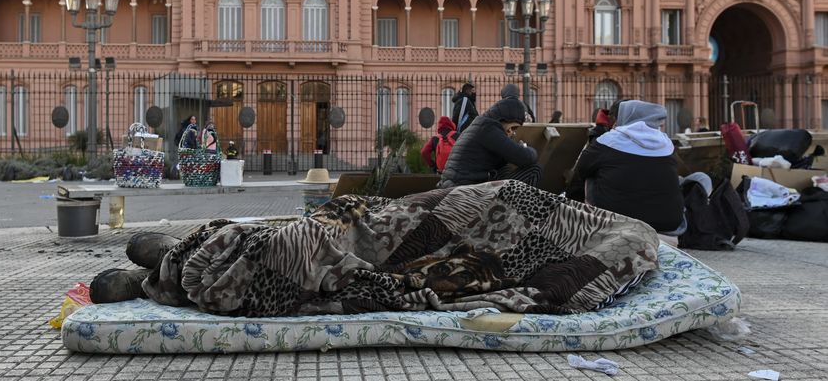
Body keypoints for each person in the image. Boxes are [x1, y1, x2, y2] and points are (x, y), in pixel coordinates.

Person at [89, 179, 658, 318]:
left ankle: (175, 265)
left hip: (502, 233)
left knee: (308, 248)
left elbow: (576, 262)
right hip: (464, 208)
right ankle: (187, 255)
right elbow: (441, 207)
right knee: (348, 220)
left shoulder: (618, 238)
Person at [571, 100, 685, 233]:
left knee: (590, 175)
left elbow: (581, 170)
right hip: (669, 223)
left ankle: (584, 224)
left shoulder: (608, 140)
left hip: (617, 221)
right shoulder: (665, 143)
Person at [439, 97, 541, 189]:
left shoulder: (481, 124)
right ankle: (517, 209)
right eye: (513, 127)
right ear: (506, 119)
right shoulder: (489, 129)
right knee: (535, 170)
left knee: (504, 169)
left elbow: (500, 161)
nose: (512, 132)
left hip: (456, 184)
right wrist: (526, 148)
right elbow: (525, 158)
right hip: (465, 189)